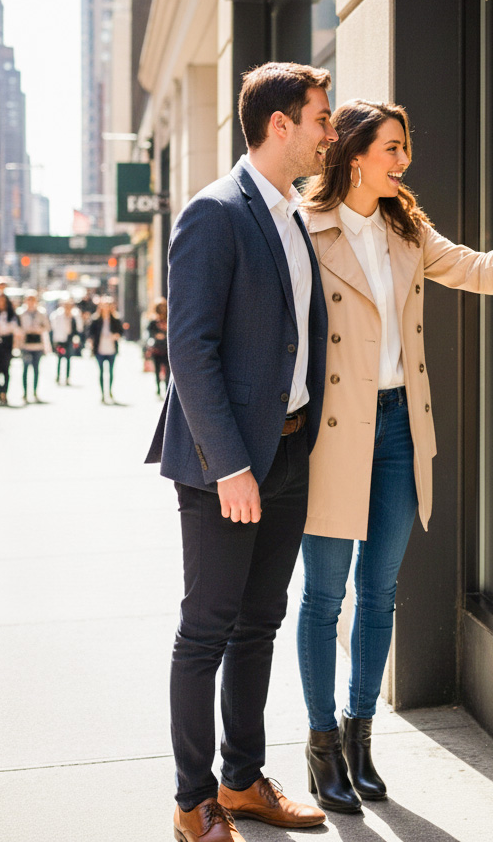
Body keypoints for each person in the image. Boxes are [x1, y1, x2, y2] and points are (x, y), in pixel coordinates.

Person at [296, 99, 493, 812]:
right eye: (392, 148)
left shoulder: (406, 226)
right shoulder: (304, 228)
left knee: (378, 595)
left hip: (402, 426)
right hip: (335, 434)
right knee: (322, 596)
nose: (403, 160)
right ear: (352, 151)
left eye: (404, 147)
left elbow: (478, 271)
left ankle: (359, 737)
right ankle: (320, 747)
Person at [146, 61, 336, 842]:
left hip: (289, 451)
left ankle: (243, 779)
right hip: (226, 463)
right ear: (280, 125)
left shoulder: (293, 214)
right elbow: (188, 349)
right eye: (321, 118)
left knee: (260, 621)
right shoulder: (214, 213)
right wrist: (230, 467)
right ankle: (195, 803)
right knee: (208, 628)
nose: (330, 131)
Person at [87, 296, 124, 403]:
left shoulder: (115, 319)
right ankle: (103, 393)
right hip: (100, 349)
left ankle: (110, 391)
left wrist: (115, 336)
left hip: (111, 349)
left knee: (111, 372)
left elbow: (120, 332)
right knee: (102, 372)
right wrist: (91, 341)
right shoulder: (96, 319)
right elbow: (90, 333)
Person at [17, 292, 50, 403]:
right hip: (25, 344)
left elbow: (47, 326)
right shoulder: (21, 313)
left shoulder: (41, 313)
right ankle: (25, 393)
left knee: (36, 369)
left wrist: (38, 329)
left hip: (37, 344)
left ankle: (35, 392)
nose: (31, 302)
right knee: (25, 369)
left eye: (33, 299)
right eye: (29, 299)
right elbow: (17, 328)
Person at [50, 296, 82, 385]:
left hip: (70, 339)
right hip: (61, 340)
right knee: (60, 358)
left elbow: (79, 327)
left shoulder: (75, 315)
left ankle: (67, 377)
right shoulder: (57, 314)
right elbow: (54, 326)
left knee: (68, 358)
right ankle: (58, 376)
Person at [0, 290, 18, 405]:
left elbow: (16, 329)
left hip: (7, 344)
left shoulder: (11, 314)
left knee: (6, 370)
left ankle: (5, 392)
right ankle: (0, 392)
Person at [146, 296, 169, 396]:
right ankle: (159, 389)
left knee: (168, 370)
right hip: (156, 349)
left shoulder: (169, 319)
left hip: (167, 349)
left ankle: (167, 388)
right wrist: (156, 335)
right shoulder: (153, 321)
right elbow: (149, 333)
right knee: (157, 369)